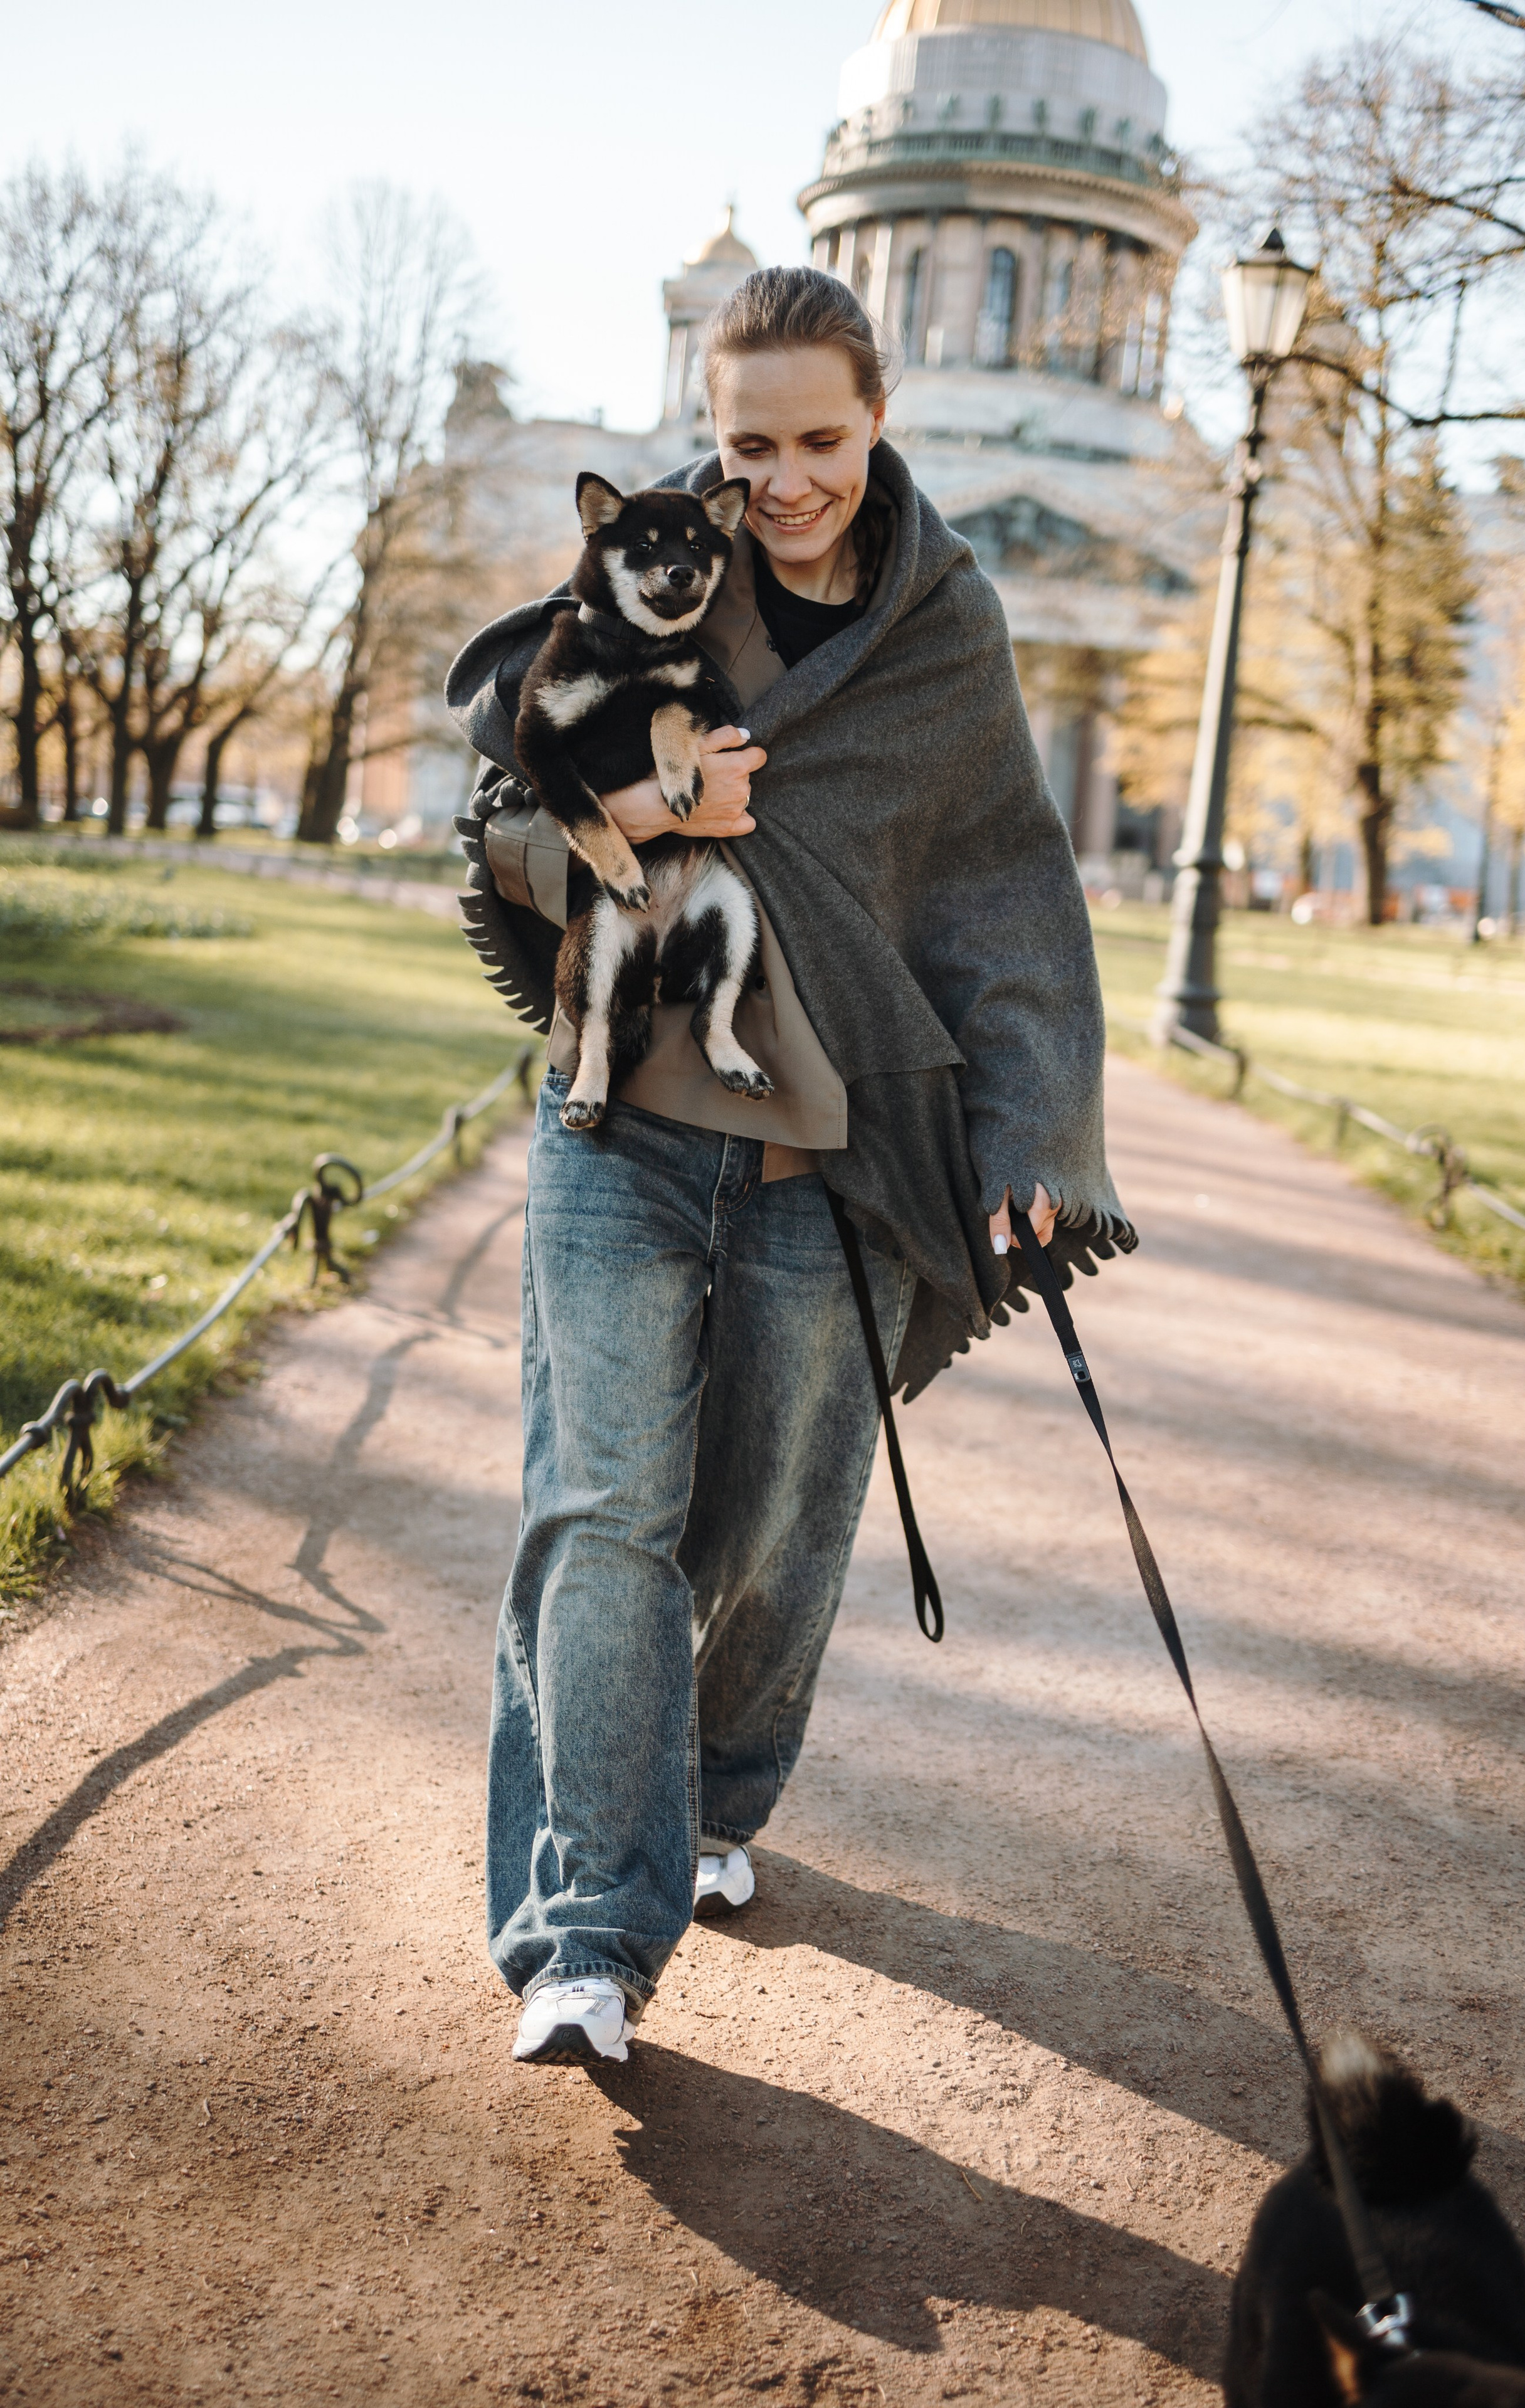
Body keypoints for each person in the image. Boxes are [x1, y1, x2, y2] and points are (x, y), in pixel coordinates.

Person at [446, 267, 1134, 2067]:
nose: (788, 479)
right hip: (626, 1122)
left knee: (768, 1528)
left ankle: (725, 1782)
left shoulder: (950, 623)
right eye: (752, 441)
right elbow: (510, 824)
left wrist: (1038, 1132)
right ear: (713, 427)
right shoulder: (653, 566)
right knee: (603, 1510)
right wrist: (663, 812)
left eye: (822, 438)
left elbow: (1000, 881)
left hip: (833, 1160)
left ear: (880, 417)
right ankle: (585, 1927)